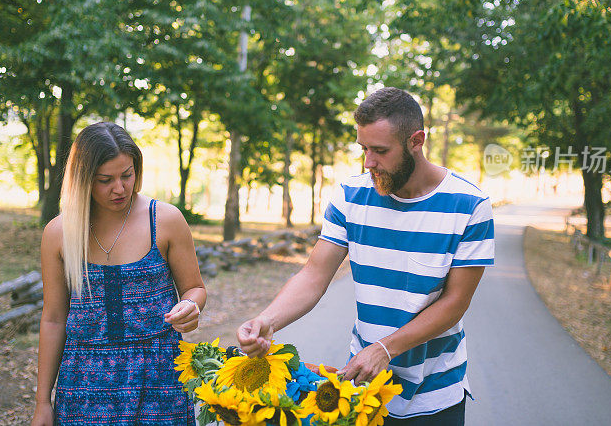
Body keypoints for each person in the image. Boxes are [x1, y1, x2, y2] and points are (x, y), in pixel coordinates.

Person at [237, 87, 494, 425]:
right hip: (361, 386)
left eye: (380, 150)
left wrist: (386, 348)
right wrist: (267, 322)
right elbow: (314, 276)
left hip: (436, 392)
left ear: (417, 140)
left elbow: (456, 302)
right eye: (364, 149)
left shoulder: (469, 205)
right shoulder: (351, 195)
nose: (368, 162)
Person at [32, 122, 205, 426]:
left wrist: (191, 306)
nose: (120, 188)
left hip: (160, 382)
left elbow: (194, 288)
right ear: (83, 180)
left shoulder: (165, 220)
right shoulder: (58, 233)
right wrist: (42, 402)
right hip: (82, 390)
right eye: (105, 180)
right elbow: (54, 318)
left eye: (127, 175)